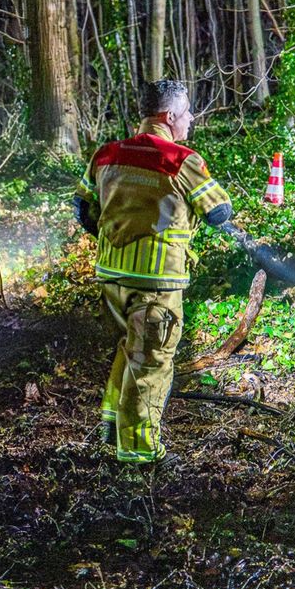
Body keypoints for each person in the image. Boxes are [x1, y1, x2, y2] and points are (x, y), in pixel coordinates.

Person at [72, 80, 233, 466]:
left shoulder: (105, 155)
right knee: (151, 364)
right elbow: (218, 212)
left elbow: (83, 209)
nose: (191, 119)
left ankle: (111, 427)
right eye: (188, 112)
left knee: (129, 350)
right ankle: (140, 455)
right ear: (170, 116)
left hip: (110, 277)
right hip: (157, 283)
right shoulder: (180, 160)